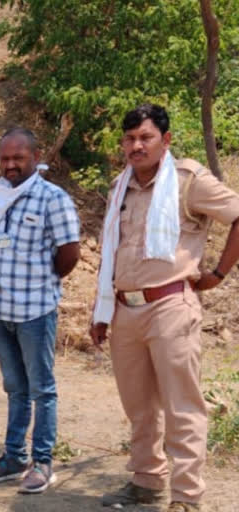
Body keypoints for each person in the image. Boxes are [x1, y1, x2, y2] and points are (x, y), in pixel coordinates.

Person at [90, 104, 239, 512]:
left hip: (171, 304)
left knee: (182, 406)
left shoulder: (189, 180)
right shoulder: (121, 186)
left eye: (146, 137)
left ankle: (187, 497)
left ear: (165, 140)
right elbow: (112, 251)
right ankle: (146, 482)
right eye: (130, 138)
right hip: (125, 309)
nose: (136, 146)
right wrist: (100, 310)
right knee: (139, 406)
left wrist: (219, 273)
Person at [0, 128, 80, 494]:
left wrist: (41, 282)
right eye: (4, 159)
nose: (10, 165)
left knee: (41, 389)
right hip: (3, 313)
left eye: (17, 158)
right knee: (14, 387)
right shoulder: (0, 198)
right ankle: (14, 457)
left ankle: (43, 462)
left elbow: (70, 254)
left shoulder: (53, 198)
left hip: (35, 311)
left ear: (35, 157)